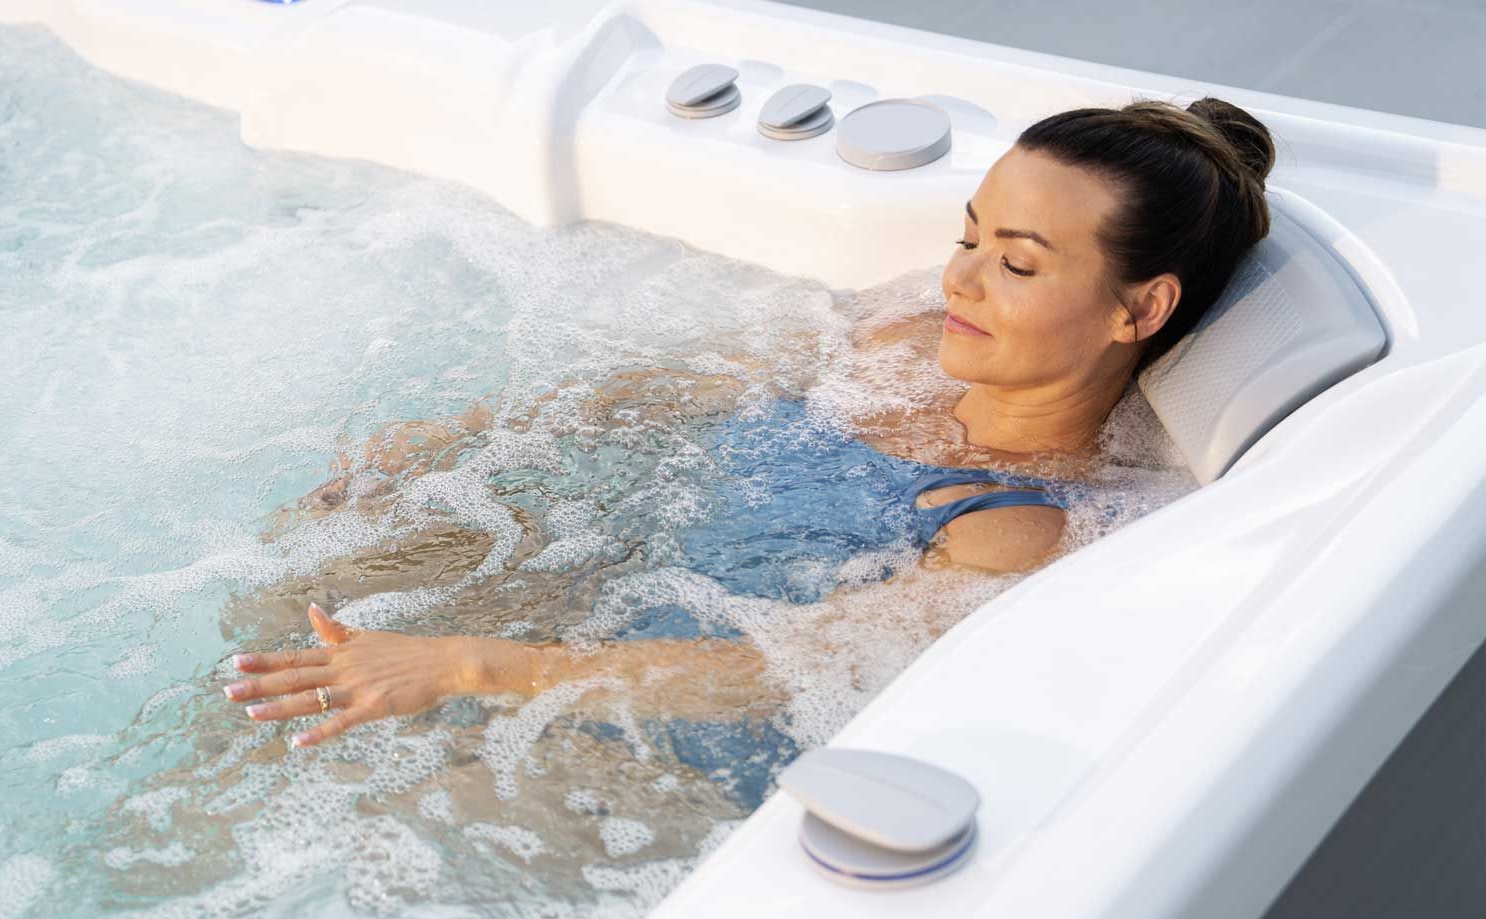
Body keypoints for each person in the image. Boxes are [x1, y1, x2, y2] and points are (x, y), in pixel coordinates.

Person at [224, 95, 1277, 754]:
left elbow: (781, 669)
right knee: (283, 617)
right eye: (968, 236)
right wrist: (466, 431)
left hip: (662, 738)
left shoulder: (1024, 525)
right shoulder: (908, 335)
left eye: (1017, 262)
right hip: (614, 585)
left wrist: (464, 664)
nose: (961, 277)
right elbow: (680, 382)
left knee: (347, 774)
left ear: (1138, 310)